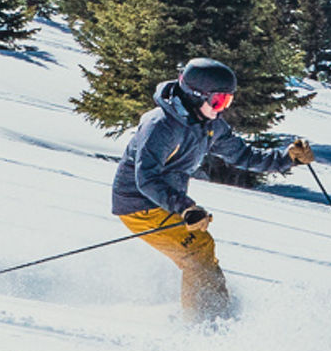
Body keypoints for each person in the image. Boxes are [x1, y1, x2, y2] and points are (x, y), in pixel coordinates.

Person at [110, 57, 314, 322]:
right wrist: (184, 207)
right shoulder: (160, 126)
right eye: (218, 102)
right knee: (198, 251)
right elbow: (146, 178)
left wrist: (287, 158)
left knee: (200, 250)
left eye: (227, 102)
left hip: (165, 202)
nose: (222, 109)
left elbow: (243, 155)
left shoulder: (209, 125)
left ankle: (213, 314)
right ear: (196, 96)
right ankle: (203, 323)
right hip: (139, 204)